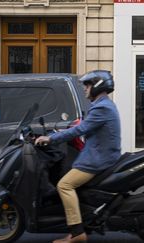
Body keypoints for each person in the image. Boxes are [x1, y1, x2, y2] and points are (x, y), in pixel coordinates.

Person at [35, 70, 121, 243]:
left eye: (87, 85)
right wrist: (63, 129)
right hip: (99, 155)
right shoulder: (103, 105)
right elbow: (84, 125)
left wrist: (50, 138)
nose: (85, 89)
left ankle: (77, 232)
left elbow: (81, 129)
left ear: (97, 86)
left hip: (98, 159)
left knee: (64, 185)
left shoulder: (102, 107)